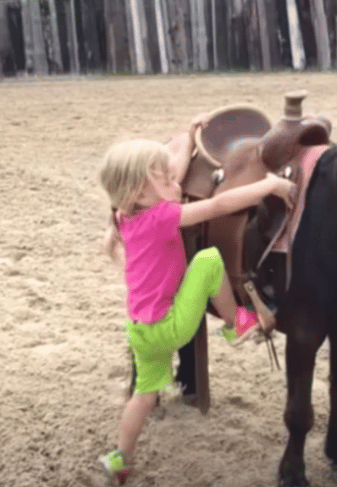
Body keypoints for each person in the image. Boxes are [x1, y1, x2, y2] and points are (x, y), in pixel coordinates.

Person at [96, 115, 296, 482]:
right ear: (142, 193)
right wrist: (268, 187)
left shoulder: (125, 216)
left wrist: (190, 138)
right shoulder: (162, 217)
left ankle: (121, 458)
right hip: (170, 325)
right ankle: (236, 322)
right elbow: (219, 207)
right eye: (166, 179)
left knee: (144, 396)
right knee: (208, 260)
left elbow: (174, 168)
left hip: (140, 329)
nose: (175, 181)